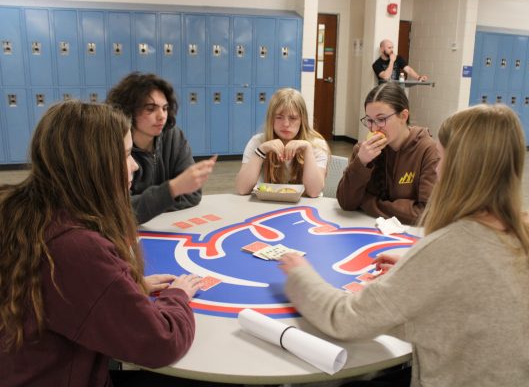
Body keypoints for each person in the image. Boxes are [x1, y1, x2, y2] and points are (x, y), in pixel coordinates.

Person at [279, 104, 529, 387]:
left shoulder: (449, 247)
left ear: (462, 168)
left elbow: (344, 319)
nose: (438, 169)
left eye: (442, 159)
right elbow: (482, 278)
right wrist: (415, 260)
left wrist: (300, 273)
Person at [0, 101, 203, 386]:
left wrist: (123, 288)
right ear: (93, 165)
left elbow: (60, 297)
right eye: (126, 155)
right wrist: (178, 296)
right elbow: (162, 342)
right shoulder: (77, 248)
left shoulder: (20, 211)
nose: (135, 167)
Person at [106, 72, 216, 224]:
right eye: (150, 109)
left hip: (165, 227)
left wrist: (147, 206)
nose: (161, 116)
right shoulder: (113, 143)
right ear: (128, 110)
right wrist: (172, 190)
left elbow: (192, 194)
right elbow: (117, 210)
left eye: (165, 108)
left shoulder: (174, 137)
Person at [336, 82, 439, 225]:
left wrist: (367, 202)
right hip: (367, 231)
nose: (374, 128)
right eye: (370, 120)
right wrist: (361, 163)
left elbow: (427, 213)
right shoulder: (363, 150)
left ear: (403, 116)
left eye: (381, 119)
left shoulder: (428, 150)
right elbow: (346, 203)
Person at [235, 88, 330, 197]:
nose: (285, 124)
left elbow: (314, 192)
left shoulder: (316, 145)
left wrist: (307, 150)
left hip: (303, 207)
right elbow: (242, 189)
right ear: (271, 119)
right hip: (266, 207)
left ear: (302, 120)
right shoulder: (258, 142)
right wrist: (261, 151)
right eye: (279, 117)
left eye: (293, 118)